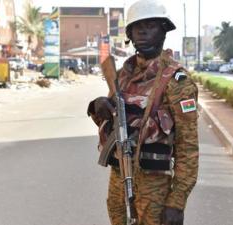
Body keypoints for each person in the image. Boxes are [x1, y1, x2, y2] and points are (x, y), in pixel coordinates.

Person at [87, 0, 199, 224]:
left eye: (151, 25)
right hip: (120, 179)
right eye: (137, 26)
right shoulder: (122, 76)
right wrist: (98, 107)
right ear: (129, 34)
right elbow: (115, 125)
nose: (144, 31)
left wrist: (177, 201)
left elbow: (188, 147)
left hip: (155, 188)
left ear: (164, 31)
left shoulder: (178, 81)